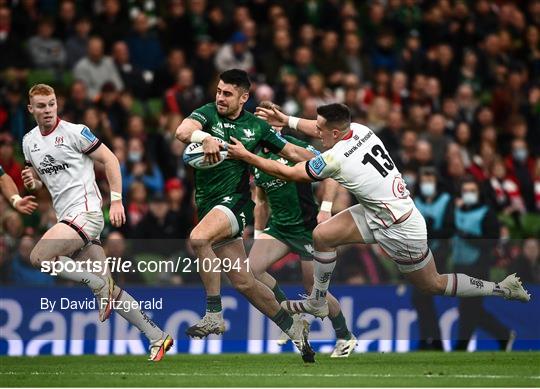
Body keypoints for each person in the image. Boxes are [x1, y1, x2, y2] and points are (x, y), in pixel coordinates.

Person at [227, 103, 530, 321]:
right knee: (322, 235)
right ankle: (318, 301)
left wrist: (247, 156)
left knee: (431, 283)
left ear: (333, 132)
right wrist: (287, 120)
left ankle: (501, 288)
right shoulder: (359, 129)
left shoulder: (336, 159)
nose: (316, 133)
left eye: (320, 130)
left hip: (401, 226)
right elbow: (314, 126)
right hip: (375, 210)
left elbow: (291, 173)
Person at [21, 84, 172, 361]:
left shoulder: (75, 132)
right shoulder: (29, 142)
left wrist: (116, 200)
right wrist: (34, 182)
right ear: (31, 109)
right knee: (110, 289)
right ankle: (158, 337)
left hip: (87, 213)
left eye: (51, 104)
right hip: (67, 218)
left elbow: (111, 159)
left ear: (58, 104)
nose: (47, 110)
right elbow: (46, 181)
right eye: (41, 106)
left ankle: (96, 284)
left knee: (39, 256)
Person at [175, 69, 316, 362]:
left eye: (227, 93)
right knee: (243, 281)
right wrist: (205, 138)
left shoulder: (257, 127)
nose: (220, 98)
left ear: (244, 97)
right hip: (208, 205)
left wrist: (328, 162)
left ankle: (213, 314)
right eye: (218, 91)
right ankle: (293, 327)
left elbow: (291, 151)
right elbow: (181, 131)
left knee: (198, 238)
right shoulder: (207, 114)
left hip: (235, 204)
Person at [249, 102, 356, 357]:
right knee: (249, 271)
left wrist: (326, 207)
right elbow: (261, 201)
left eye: (265, 122)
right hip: (280, 230)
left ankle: (344, 337)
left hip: (307, 229)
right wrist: (258, 234)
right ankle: (290, 317)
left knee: (314, 292)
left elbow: (330, 171)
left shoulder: (295, 149)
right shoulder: (256, 157)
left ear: (276, 125)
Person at [452, 177, 515, 351]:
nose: (469, 194)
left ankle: (463, 345)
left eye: (472, 191)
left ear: (478, 193)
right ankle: (502, 334)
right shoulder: (457, 211)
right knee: (470, 308)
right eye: (466, 191)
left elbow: (492, 240)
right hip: (461, 265)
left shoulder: (487, 213)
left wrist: (470, 238)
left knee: (470, 307)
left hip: (478, 266)